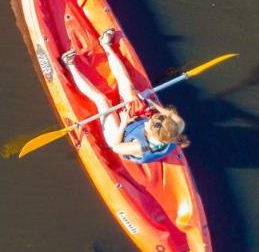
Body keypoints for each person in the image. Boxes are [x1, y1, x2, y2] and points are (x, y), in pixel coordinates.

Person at [61, 28, 189, 163]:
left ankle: (70, 65)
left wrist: (123, 121)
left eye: (149, 123)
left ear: (151, 134)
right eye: (152, 119)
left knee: (102, 100)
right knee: (127, 85)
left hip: (119, 137)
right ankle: (106, 45)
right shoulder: (178, 125)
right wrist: (152, 103)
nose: (148, 122)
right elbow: (168, 114)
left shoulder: (140, 146)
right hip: (137, 122)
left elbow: (116, 147)